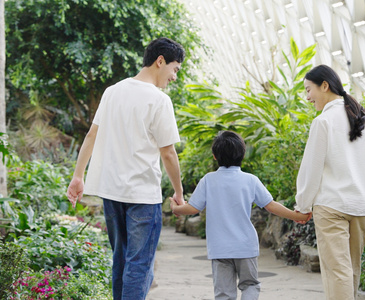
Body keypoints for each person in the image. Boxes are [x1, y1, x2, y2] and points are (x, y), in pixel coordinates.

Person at [66, 37, 186, 300]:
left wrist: (78, 176)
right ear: (160, 61)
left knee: (121, 260)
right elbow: (167, 152)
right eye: (175, 69)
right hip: (142, 195)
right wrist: (179, 192)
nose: (174, 77)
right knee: (139, 265)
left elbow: (91, 135)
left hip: (111, 193)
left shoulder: (113, 91)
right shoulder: (159, 100)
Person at [294, 64, 365, 300]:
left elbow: (312, 168)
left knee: (338, 272)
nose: (307, 97)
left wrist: (303, 205)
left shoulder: (323, 122)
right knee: (351, 270)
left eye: (309, 90)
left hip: (331, 207)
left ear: (325, 85)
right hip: (361, 208)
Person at [170, 130, 311, 300]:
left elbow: (193, 208)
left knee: (223, 293)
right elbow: (271, 206)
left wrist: (176, 208)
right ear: (242, 154)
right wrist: (297, 216)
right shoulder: (250, 180)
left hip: (220, 249)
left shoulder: (208, 180)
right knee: (250, 285)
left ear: (215, 156)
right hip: (245, 246)